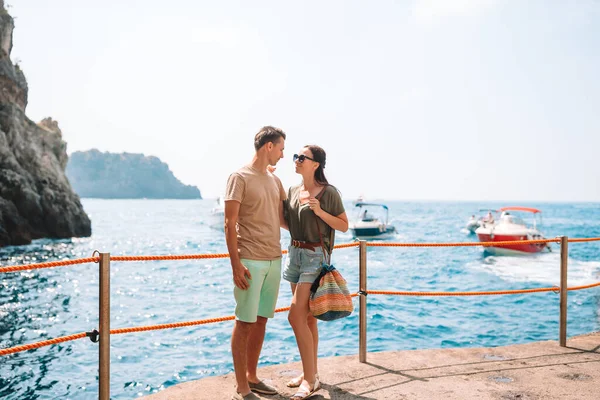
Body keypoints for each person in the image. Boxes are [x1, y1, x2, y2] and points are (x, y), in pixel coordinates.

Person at [224, 126, 287, 400]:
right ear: (268, 146)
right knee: (245, 322)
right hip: (249, 260)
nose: (283, 155)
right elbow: (229, 223)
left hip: (275, 259)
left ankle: (252, 376)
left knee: (261, 320)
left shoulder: (276, 181)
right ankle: (242, 386)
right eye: (281, 148)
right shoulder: (239, 177)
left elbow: (285, 220)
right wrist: (236, 264)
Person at [283, 145, 348, 399]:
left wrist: (319, 211)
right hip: (294, 255)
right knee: (307, 319)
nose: (297, 160)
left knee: (294, 316)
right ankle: (311, 373)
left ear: (316, 164)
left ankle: (309, 381)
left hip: (314, 258)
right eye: (296, 157)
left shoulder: (329, 193)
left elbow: (344, 225)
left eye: (302, 157)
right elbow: (287, 223)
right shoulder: (292, 190)